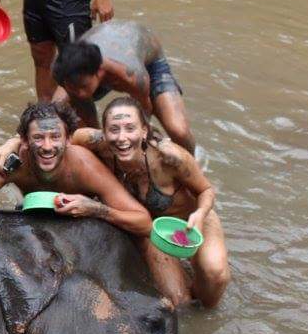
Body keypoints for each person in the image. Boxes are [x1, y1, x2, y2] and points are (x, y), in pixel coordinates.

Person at [72, 96, 229, 307]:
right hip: (152, 230)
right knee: (178, 302)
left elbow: (206, 190)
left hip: (192, 221)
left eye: (130, 128)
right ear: (104, 131)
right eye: (114, 129)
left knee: (214, 276)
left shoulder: (170, 158)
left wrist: (199, 216)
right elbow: (66, 147)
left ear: (144, 130)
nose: (122, 138)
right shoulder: (95, 143)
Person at [0, 101, 151, 243]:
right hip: (33, 220)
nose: (47, 146)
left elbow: (144, 222)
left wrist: (96, 209)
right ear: (23, 141)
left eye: (55, 137)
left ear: (69, 139)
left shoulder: (85, 166)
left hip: (82, 224)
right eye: (38, 138)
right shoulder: (13, 163)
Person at [51, 19, 196, 153]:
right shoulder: (62, 70)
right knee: (56, 109)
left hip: (148, 60)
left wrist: (144, 141)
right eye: (72, 86)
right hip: (101, 47)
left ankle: (191, 166)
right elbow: (66, 102)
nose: (79, 93)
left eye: (83, 86)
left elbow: (144, 110)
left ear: (99, 72)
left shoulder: (131, 75)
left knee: (178, 131)